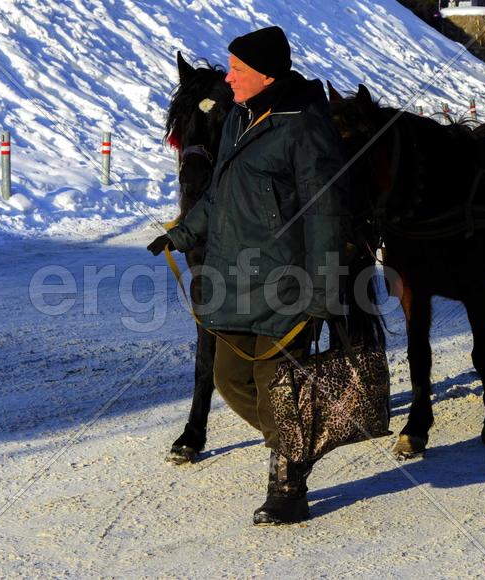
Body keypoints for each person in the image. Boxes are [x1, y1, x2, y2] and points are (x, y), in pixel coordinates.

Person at [148, 26, 348, 525]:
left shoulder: (304, 126)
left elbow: (324, 211)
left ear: (266, 75)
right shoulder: (238, 116)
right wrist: (182, 233)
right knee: (229, 377)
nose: (229, 78)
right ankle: (297, 437)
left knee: (274, 380)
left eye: (238, 69)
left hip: (287, 279)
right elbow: (218, 194)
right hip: (234, 276)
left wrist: (323, 287)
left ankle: (288, 486)